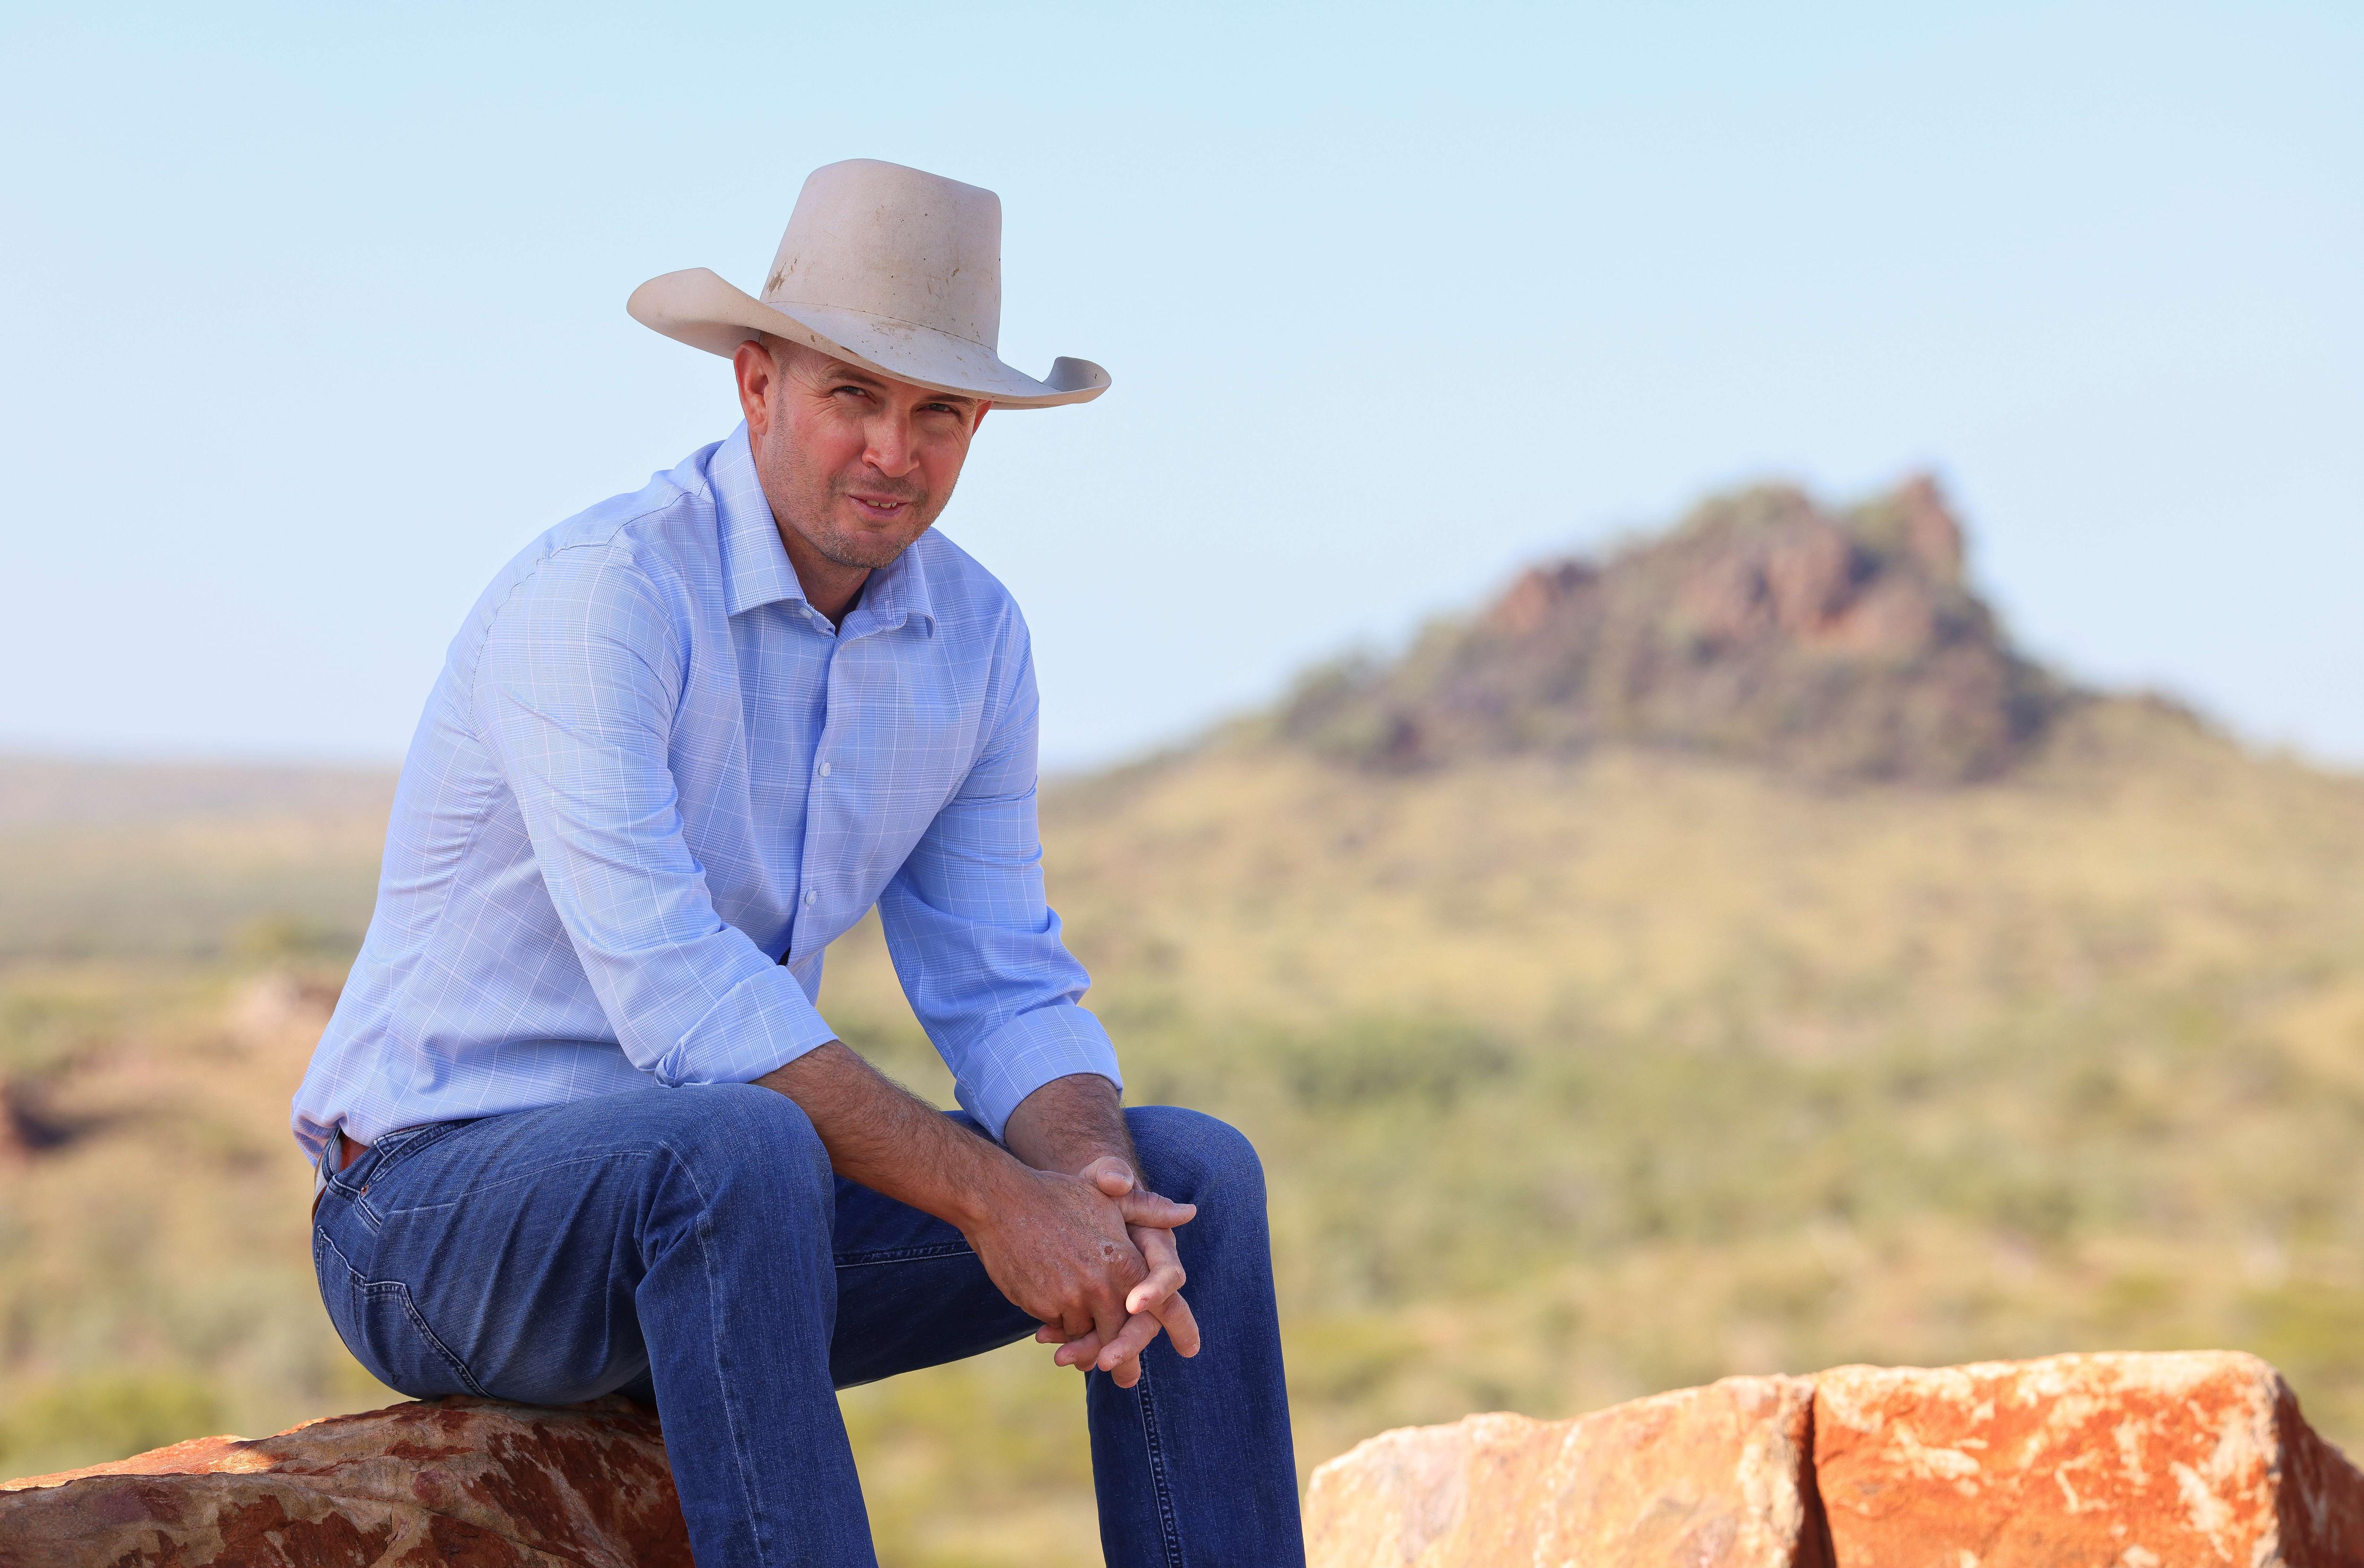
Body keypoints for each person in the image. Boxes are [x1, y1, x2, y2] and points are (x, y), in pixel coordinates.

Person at [291, 158, 1304, 1568]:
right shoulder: (604, 597)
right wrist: (998, 1203)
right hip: (435, 1218)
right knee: (739, 1141)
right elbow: (682, 999)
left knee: (1193, 1171)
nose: (893, 451)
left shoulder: (976, 638)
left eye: (937, 412)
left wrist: (1088, 1189)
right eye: (852, 398)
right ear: (755, 384)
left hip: (723, 1233)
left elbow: (1004, 982)